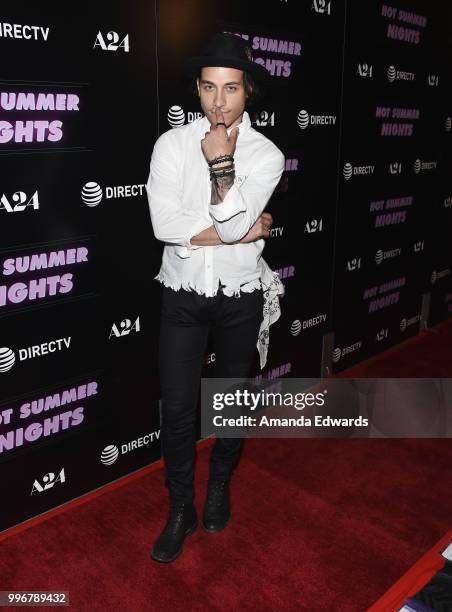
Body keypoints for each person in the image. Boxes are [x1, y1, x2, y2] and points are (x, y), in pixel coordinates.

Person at [145, 32, 285, 563]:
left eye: (230, 88)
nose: (219, 102)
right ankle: (179, 507)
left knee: (230, 405)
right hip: (182, 293)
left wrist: (222, 165)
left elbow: (225, 229)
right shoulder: (169, 145)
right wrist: (244, 229)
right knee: (178, 410)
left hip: (239, 296)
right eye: (209, 88)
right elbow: (164, 225)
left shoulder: (266, 154)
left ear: (248, 91)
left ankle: (220, 483)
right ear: (198, 91)